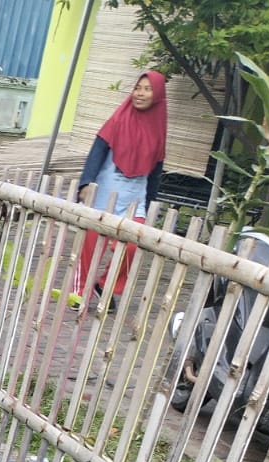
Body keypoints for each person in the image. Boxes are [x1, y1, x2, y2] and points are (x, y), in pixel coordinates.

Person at [71, 71, 167, 307]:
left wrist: (151, 204)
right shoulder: (117, 120)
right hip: (104, 195)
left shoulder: (159, 129)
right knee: (91, 247)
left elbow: (156, 170)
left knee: (133, 247)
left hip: (135, 200)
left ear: (157, 95)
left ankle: (105, 286)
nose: (140, 93)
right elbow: (96, 153)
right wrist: (86, 183)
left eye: (147, 89)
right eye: (137, 88)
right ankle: (79, 292)